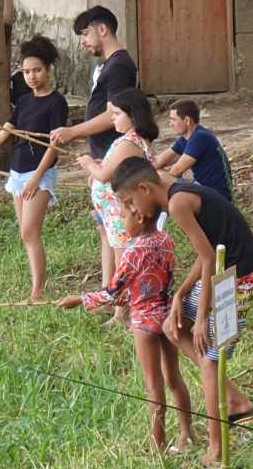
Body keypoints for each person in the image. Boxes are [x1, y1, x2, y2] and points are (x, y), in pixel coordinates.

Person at [113, 147, 253, 467]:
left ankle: (216, 447)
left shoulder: (178, 203)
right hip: (222, 272)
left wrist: (203, 318)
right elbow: (206, 252)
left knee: (209, 356)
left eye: (129, 203)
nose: (133, 211)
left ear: (144, 189)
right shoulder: (173, 192)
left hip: (238, 278)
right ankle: (236, 400)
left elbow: (210, 258)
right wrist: (181, 296)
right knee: (173, 326)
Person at [59, 168, 196, 453]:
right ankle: (187, 435)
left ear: (140, 215)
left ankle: (158, 445)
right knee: (174, 378)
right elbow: (156, 281)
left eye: (124, 215)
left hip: (145, 322)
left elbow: (110, 292)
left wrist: (78, 300)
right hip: (168, 313)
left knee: (153, 387)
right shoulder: (165, 241)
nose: (121, 221)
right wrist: (130, 297)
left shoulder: (134, 250)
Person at [0, 35, 67, 302]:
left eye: (37, 70)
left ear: (48, 70)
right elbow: (3, 135)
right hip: (17, 172)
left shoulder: (57, 102)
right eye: (27, 71)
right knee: (26, 234)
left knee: (30, 231)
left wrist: (37, 178)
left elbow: (54, 146)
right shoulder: (23, 102)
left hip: (39, 173)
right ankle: (36, 289)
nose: (31, 76)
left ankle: (38, 292)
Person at [75, 88, 159, 324]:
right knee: (122, 259)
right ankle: (121, 310)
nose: (112, 119)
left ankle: (127, 313)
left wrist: (89, 163)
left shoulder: (129, 141)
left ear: (132, 115)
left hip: (124, 213)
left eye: (117, 114)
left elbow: (103, 175)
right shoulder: (128, 141)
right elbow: (114, 169)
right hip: (116, 213)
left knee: (126, 263)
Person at [49, 5, 139, 162]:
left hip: (116, 155)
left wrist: (72, 131)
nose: (82, 42)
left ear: (102, 29)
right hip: (106, 154)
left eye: (85, 34)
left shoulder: (119, 66)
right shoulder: (111, 64)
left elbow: (113, 114)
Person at [153, 100, 232, 200]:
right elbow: (159, 161)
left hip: (216, 195)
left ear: (187, 120)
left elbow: (176, 171)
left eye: (173, 120)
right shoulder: (185, 138)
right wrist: (141, 171)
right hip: (202, 187)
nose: (170, 124)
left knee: (161, 178)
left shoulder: (200, 137)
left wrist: (153, 176)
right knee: (157, 174)